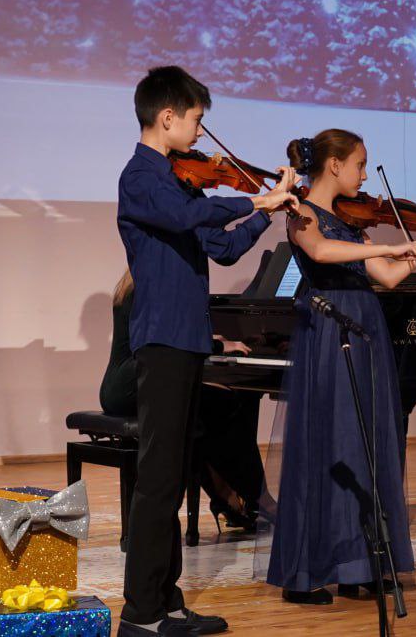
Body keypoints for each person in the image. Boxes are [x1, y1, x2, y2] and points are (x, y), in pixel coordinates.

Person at [116, 66, 297, 636]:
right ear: (167, 116)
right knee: (158, 481)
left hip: (188, 339)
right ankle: (140, 614)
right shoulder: (141, 177)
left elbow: (221, 248)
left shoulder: (178, 183)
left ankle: (166, 602)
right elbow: (187, 217)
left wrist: (265, 214)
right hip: (163, 340)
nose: (200, 132)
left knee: (175, 475)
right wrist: (253, 196)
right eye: (196, 120)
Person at [267, 129, 416, 604]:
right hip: (327, 329)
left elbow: (391, 277)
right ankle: (307, 572)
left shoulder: (352, 222)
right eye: (360, 164)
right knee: (328, 444)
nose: (363, 175)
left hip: (364, 329)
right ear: (334, 165)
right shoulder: (300, 212)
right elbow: (320, 252)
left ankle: (360, 566)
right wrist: (385, 247)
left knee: (365, 446)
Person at [100, 270, 269, 531]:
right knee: (224, 404)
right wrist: (219, 345)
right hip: (134, 384)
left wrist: (210, 341)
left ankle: (230, 497)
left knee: (198, 415)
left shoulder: (136, 281)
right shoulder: (153, 286)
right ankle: (254, 497)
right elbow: (172, 345)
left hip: (123, 385)